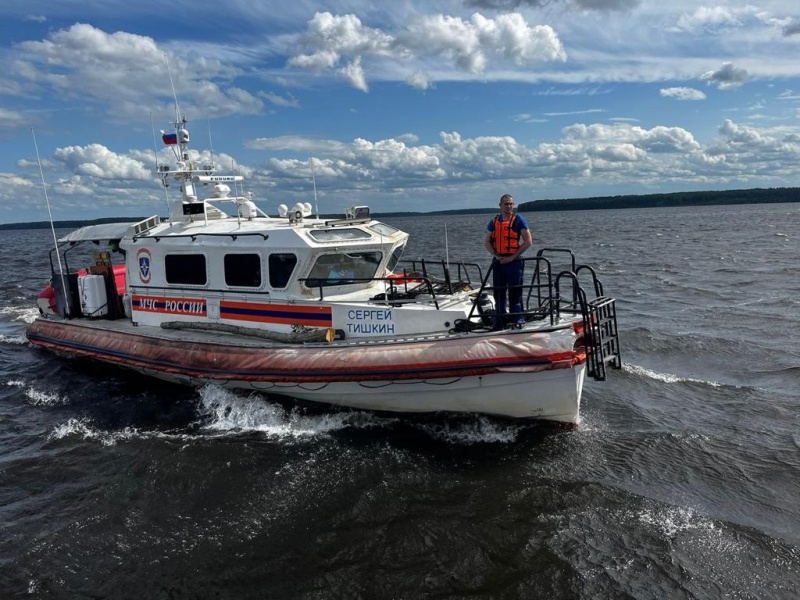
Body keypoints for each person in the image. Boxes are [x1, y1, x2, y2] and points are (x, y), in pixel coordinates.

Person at [484, 194, 532, 328]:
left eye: (511, 203)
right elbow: (486, 241)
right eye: (506, 204)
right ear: (500, 205)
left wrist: (513, 257)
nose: (509, 206)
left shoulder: (518, 220)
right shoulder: (494, 222)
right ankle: (499, 321)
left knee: (515, 292)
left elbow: (528, 241)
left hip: (514, 262)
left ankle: (517, 320)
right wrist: (496, 255)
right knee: (499, 292)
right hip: (498, 262)